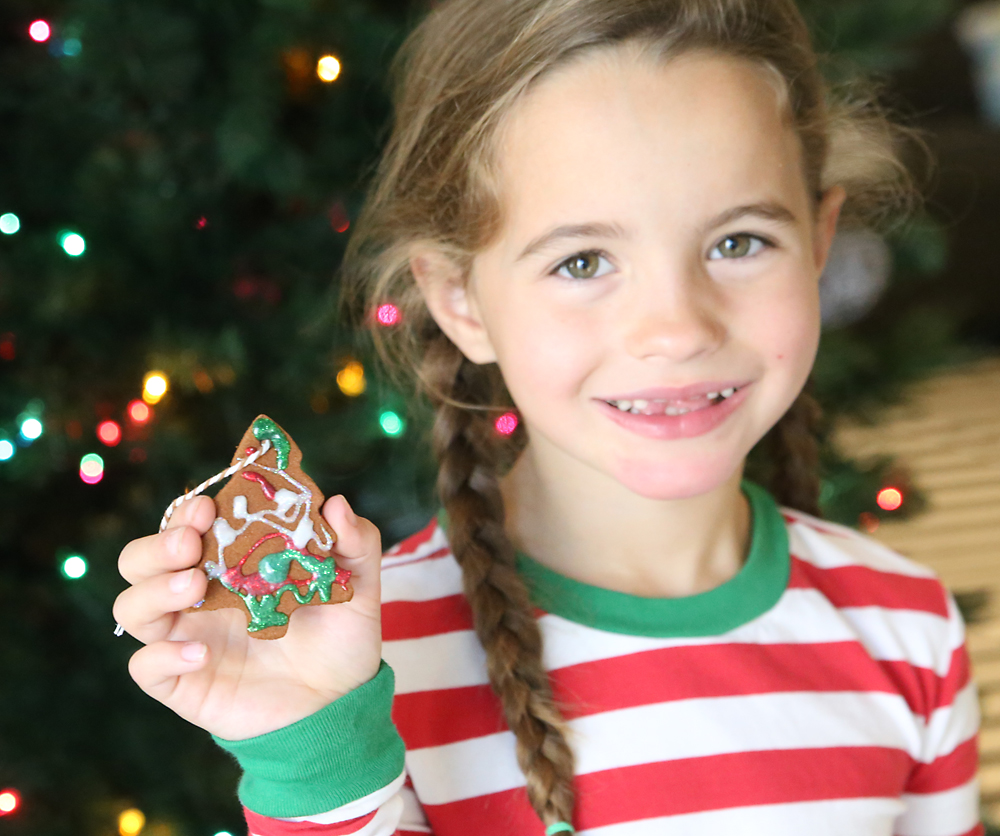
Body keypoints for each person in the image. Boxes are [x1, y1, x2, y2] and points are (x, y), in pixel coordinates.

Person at [112, 0, 983, 833]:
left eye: (738, 242)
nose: (677, 331)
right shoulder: (354, 665)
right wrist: (312, 747)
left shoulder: (909, 632)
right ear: (459, 298)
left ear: (821, 242)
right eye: (583, 261)